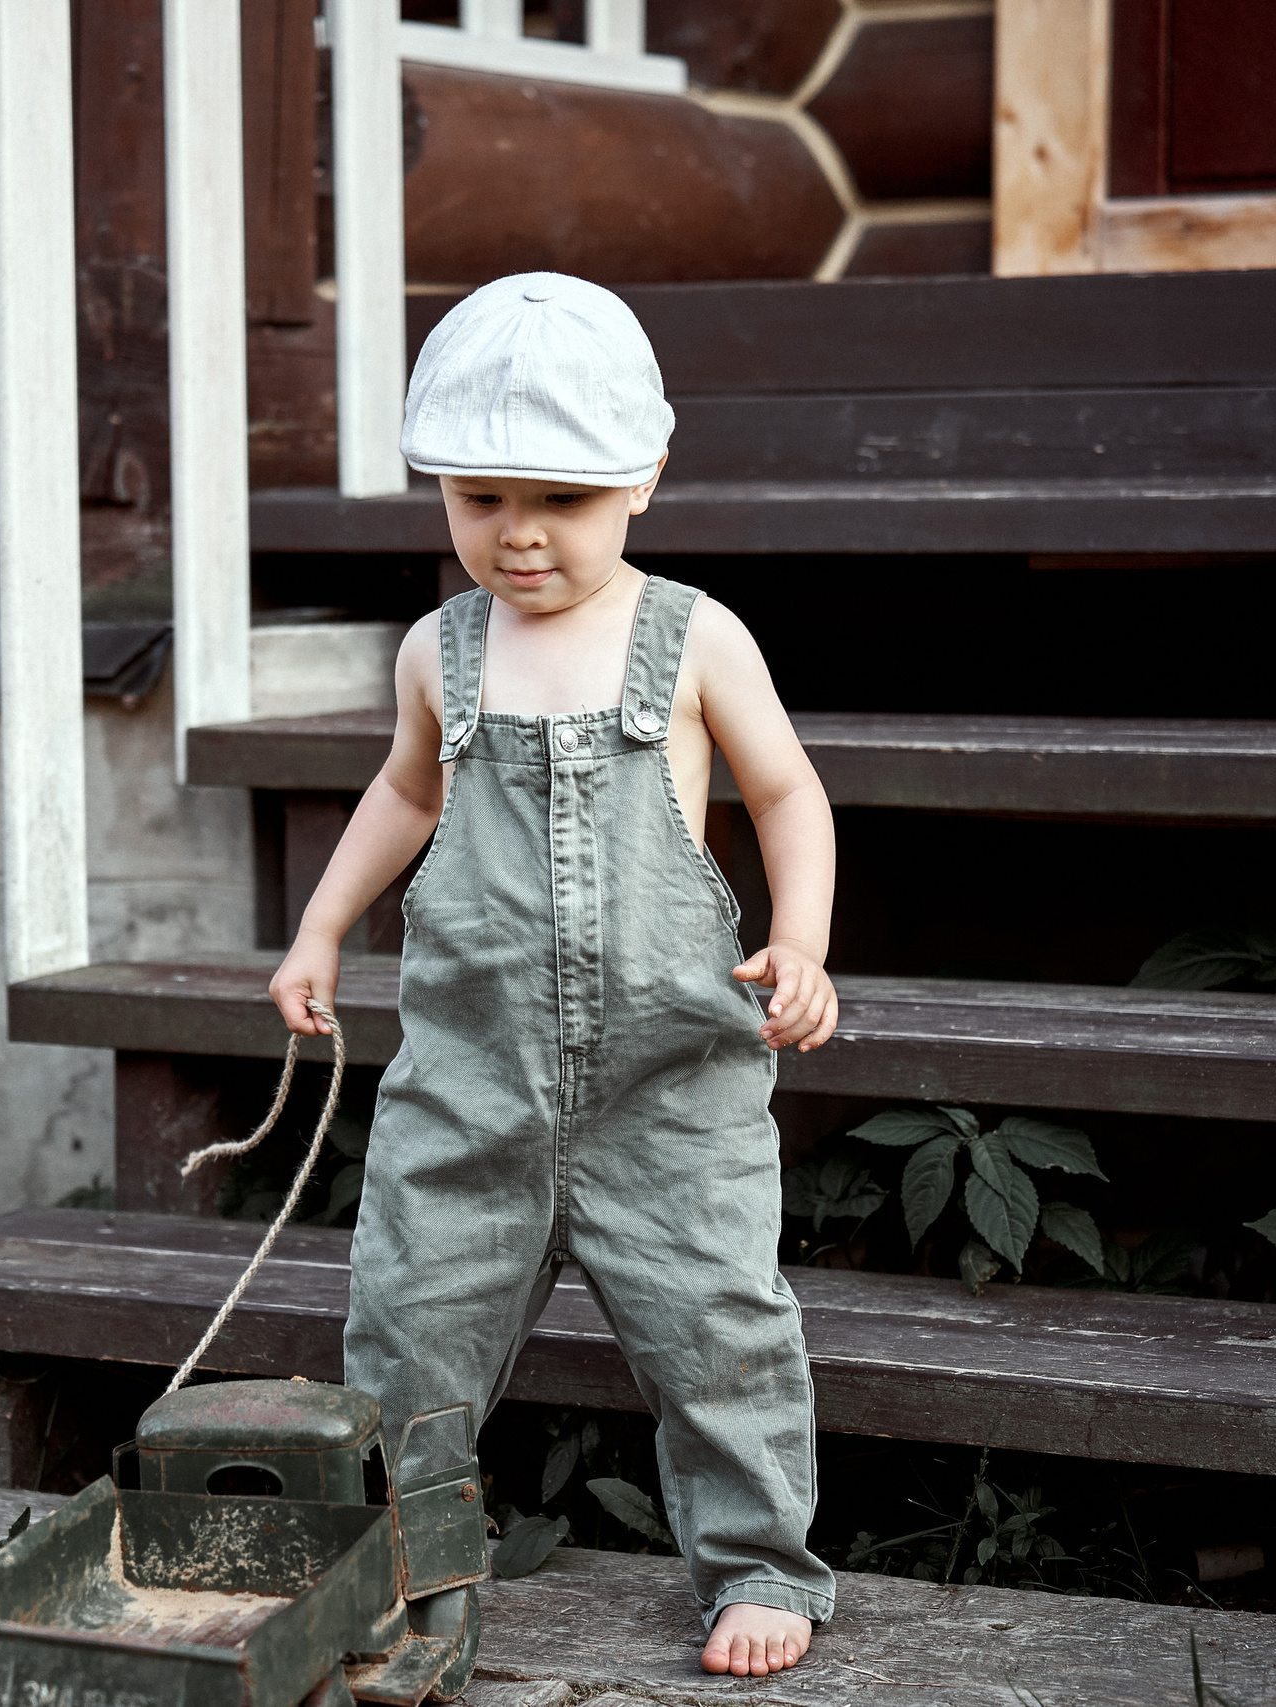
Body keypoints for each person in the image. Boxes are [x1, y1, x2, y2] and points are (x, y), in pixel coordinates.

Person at [267, 272, 840, 1678]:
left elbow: (787, 795)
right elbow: (403, 799)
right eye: (480, 501)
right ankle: (410, 1560)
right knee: (411, 1332)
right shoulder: (437, 654)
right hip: (469, 1083)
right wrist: (321, 930)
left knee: (720, 1335)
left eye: (561, 503)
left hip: (670, 1083)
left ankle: (759, 1564)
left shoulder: (694, 638)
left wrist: (802, 937)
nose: (519, 538)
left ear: (643, 478)